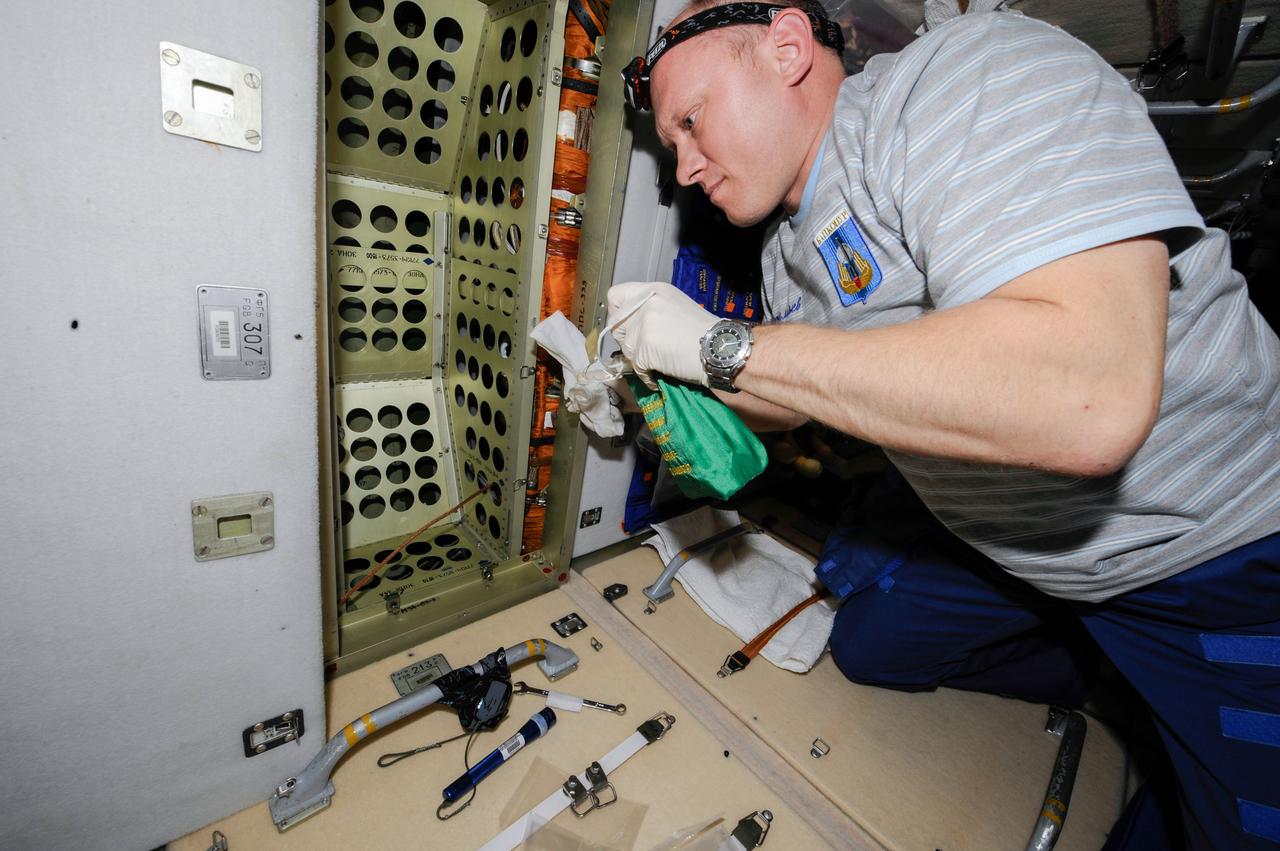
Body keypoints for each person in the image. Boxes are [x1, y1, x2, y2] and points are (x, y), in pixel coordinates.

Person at [607, 1, 1280, 848]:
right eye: (672, 148)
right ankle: (1108, 674)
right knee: (870, 644)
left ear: (784, 48)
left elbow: (1087, 393)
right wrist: (667, 377)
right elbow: (795, 392)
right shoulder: (786, 254)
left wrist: (725, 347)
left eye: (691, 122)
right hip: (1028, 553)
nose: (686, 167)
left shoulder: (966, 78)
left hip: (1213, 563)